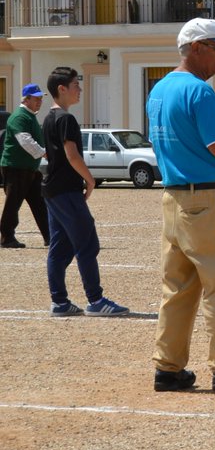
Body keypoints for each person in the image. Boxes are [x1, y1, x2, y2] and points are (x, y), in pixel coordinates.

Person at [147, 18, 215, 396]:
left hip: (173, 197)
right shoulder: (200, 92)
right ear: (196, 48)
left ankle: (168, 367)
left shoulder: (159, 89)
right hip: (208, 198)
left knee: (177, 288)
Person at [41, 67, 129, 317]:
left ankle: (59, 302)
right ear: (62, 89)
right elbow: (71, 155)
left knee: (60, 247)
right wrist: (90, 180)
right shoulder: (66, 119)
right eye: (75, 85)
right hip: (67, 191)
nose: (80, 89)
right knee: (87, 244)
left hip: (52, 190)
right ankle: (96, 300)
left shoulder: (48, 118)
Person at [0, 84, 51, 249]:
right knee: (13, 204)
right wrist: (44, 153)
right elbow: (25, 140)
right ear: (26, 99)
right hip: (15, 167)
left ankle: (51, 237)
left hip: (28, 169)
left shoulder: (29, 116)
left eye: (41, 99)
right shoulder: (19, 117)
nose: (39, 102)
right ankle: (7, 237)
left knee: (40, 203)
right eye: (36, 98)